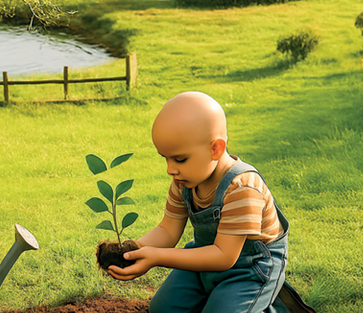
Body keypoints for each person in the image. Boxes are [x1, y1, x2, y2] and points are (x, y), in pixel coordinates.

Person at [108, 92, 315, 313]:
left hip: (251, 269)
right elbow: (167, 230)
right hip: (205, 257)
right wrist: (134, 250)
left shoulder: (242, 187)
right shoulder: (184, 182)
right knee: (162, 308)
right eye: (165, 158)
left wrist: (157, 257)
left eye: (180, 159)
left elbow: (224, 256)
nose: (171, 169)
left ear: (215, 148)